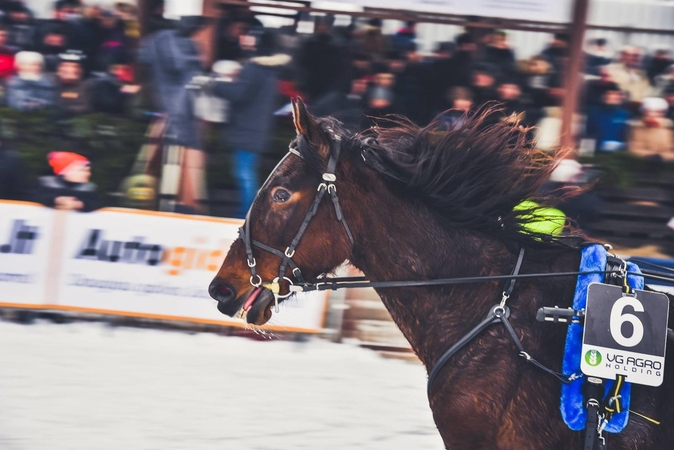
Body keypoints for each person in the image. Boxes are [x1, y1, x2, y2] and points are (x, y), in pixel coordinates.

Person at [209, 29, 290, 217]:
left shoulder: (254, 69)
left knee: (244, 173)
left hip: (245, 128)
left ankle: (246, 212)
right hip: (257, 128)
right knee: (246, 171)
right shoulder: (271, 72)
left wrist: (215, 84)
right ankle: (247, 211)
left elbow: (238, 93)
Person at [139, 16, 207, 213]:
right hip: (182, 111)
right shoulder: (188, 46)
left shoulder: (158, 39)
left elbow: (144, 58)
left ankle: (145, 198)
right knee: (186, 155)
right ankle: (186, 203)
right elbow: (193, 75)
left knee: (153, 157)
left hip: (163, 106)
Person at [34, 151, 100, 212]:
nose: (88, 174)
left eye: (88, 170)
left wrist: (79, 204)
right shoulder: (46, 182)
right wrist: (57, 200)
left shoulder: (89, 187)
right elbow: (34, 196)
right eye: (82, 170)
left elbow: (98, 203)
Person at [585, 82, 630, 153]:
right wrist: (586, 154)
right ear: (604, 97)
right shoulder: (594, 113)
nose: (612, 97)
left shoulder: (625, 115)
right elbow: (588, 134)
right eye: (609, 94)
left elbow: (628, 136)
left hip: (618, 154)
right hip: (598, 152)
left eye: (615, 95)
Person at [628, 97, 674, 162]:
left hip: (666, 166)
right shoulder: (638, 127)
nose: (653, 114)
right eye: (650, 111)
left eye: (658, 112)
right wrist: (650, 156)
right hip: (642, 164)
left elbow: (671, 150)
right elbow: (634, 148)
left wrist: (663, 157)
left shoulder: (669, 128)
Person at [55, 50, 91, 114]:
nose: (68, 70)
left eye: (74, 66)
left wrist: (65, 110)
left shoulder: (87, 87)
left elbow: (86, 108)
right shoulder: (49, 82)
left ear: (80, 70)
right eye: (65, 66)